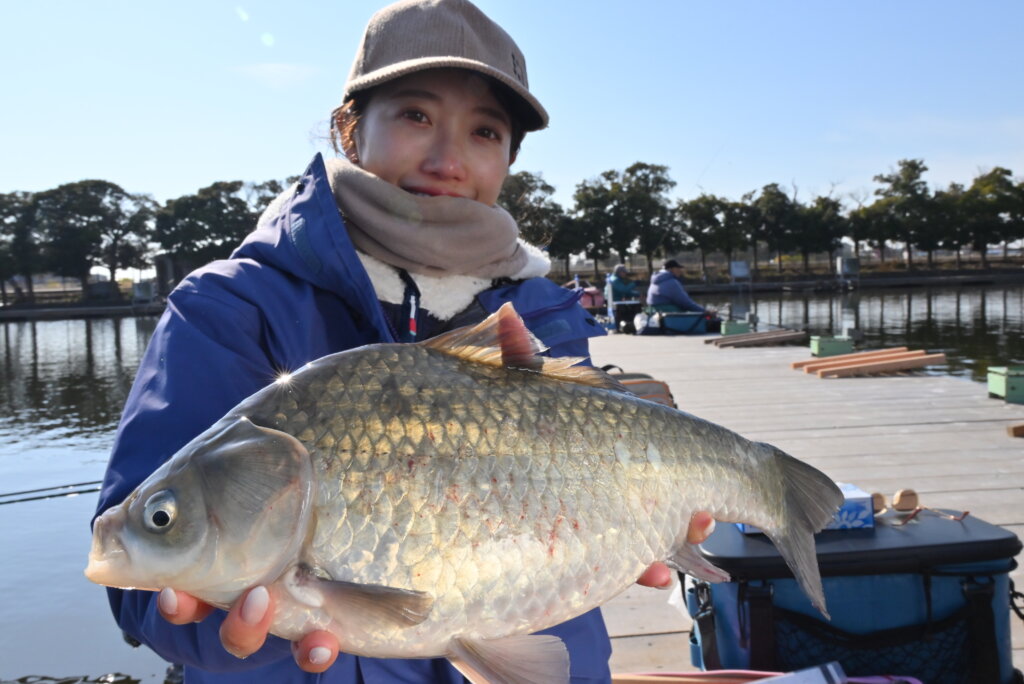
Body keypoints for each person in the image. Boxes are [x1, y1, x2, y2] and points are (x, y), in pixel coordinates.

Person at [92, 1, 714, 681]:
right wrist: (232, 626)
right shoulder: (226, 308)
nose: (448, 159)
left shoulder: (544, 311)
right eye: (416, 116)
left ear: (509, 158)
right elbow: (141, 582)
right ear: (350, 130)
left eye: (485, 132)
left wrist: (626, 531)